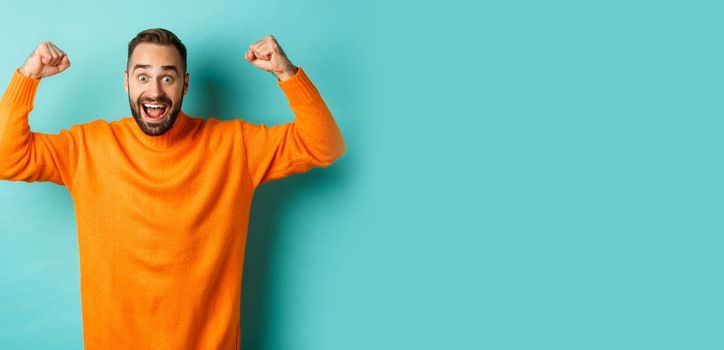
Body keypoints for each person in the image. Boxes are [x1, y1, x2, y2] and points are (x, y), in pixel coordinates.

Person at [0, 28, 346, 349]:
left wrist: (287, 74)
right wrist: (27, 77)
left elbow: (324, 144)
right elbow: (6, 158)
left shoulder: (236, 146)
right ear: (126, 83)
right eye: (142, 76)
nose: (154, 91)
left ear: (185, 84)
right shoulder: (87, 147)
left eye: (167, 77)